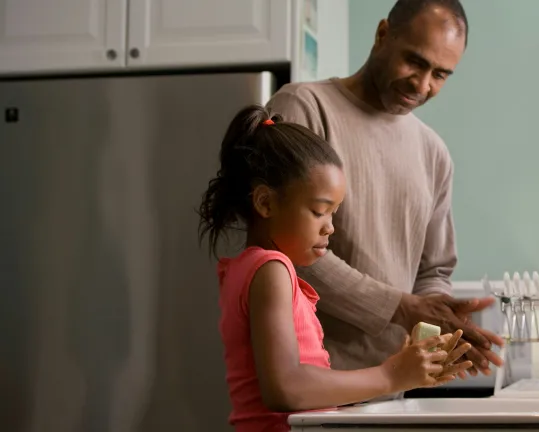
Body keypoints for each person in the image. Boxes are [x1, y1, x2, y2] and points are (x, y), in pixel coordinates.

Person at [266, 0, 503, 380]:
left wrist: (437, 314)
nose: (422, 85)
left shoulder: (434, 153)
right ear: (382, 35)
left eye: (440, 75)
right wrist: (402, 308)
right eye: (415, 61)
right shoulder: (303, 108)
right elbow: (285, 246)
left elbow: (434, 268)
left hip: (390, 386)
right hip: (308, 382)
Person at [197, 105, 472, 432]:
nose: (330, 228)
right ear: (265, 203)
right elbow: (285, 387)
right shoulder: (271, 270)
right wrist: (390, 374)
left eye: (333, 214)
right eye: (319, 211)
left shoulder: (248, 268)